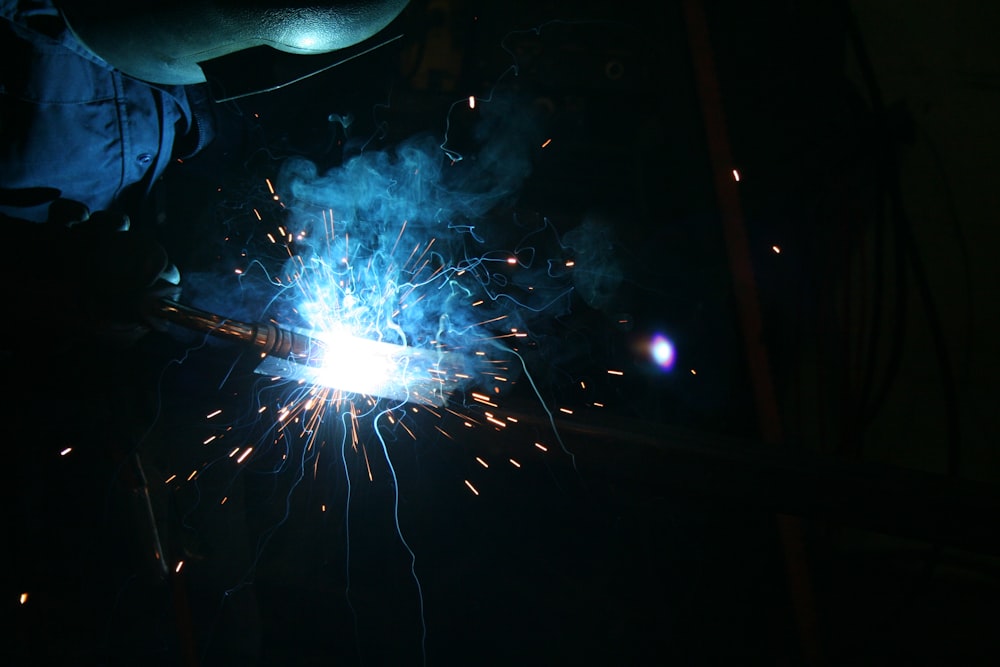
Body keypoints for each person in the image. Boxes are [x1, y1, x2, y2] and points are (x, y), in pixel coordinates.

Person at [2, 2, 410, 664]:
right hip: (26, 386)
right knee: (60, 598)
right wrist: (50, 270)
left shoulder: (194, 31)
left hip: (148, 370)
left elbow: (205, 151)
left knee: (212, 597)